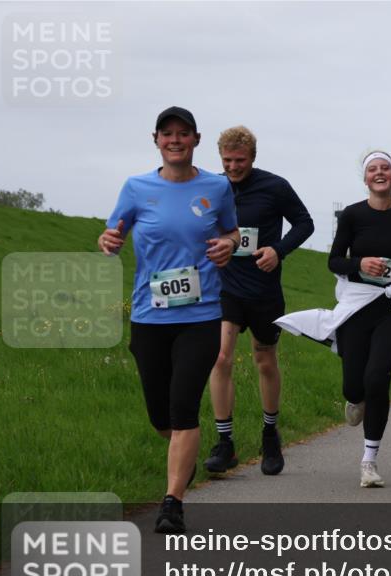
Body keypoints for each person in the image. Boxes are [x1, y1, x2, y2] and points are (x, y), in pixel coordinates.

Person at [99, 106, 238, 533]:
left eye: (183, 134)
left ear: (196, 139)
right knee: (162, 417)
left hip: (201, 315)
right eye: (167, 134)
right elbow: (113, 234)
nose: (175, 140)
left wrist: (229, 244)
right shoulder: (137, 188)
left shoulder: (215, 188)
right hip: (148, 316)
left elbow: (233, 231)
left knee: (183, 408)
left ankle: (172, 501)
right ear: (156, 140)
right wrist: (108, 241)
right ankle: (184, 457)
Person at [276, 151, 391, 488]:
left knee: (377, 379)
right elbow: (333, 262)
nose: (379, 173)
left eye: (384, 168)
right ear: (365, 178)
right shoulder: (353, 216)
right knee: (355, 386)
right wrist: (359, 263)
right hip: (357, 308)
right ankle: (354, 398)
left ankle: (369, 462)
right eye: (372, 169)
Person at [204, 126, 314, 477]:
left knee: (264, 360)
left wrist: (278, 251)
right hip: (226, 287)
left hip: (264, 290)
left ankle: (270, 434)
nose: (233, 167)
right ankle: (225, 443)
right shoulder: (212, 187)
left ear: (252, 157)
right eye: (227, 161)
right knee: (220, 356)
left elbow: (304, 223)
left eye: (240, 160)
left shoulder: (274, 186)